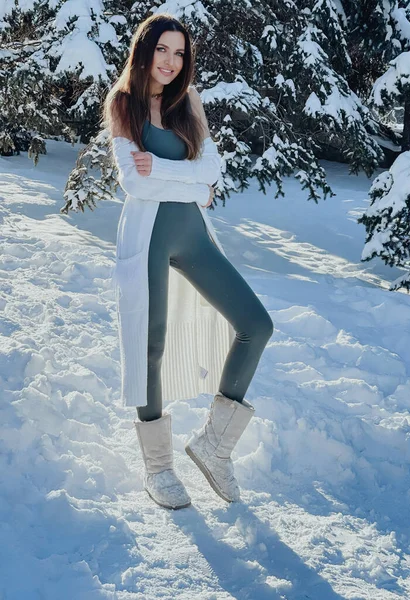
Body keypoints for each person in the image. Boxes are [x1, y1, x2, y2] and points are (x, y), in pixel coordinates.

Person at [102, 13, 273, 510]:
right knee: (149, 344)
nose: (171, 62)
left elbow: (213, 168)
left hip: (194, 239)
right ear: (145, 49)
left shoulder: (187, 101)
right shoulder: (122, 104)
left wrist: (164, 168)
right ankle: (157, 468)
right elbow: (135, 185)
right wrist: (193, 183)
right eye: (162, 50)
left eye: (180, 53)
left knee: (255, 324)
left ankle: (214, 447)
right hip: (148, 237)